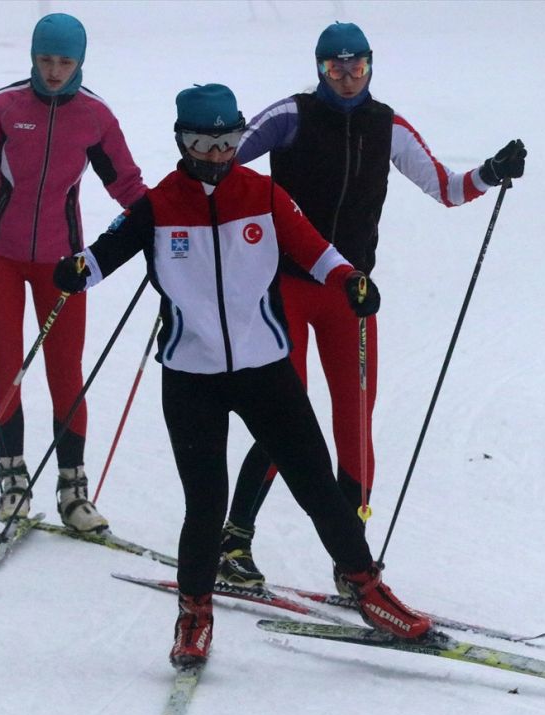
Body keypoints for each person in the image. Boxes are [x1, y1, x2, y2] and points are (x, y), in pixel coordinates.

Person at [53, 83, 432, 668]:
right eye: (203, 141)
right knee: (205, 503)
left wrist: (349, 279)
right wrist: (78, 270)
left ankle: (367, 587)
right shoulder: (158, 206)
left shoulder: (263, 194)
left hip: (265, 369)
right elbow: (104, 254)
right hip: (191, 377)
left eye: (227, 140)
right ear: (182, 141)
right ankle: (194, 614)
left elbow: (314, 248)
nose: (216, 153)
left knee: (317, 486)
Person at [218, 22, 527, 589]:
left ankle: (350, 559)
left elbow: (446, 188)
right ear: (318, 69)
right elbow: (221, 158)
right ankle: (234, 540)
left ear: (370, 65)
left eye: (355, 65)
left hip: (351, 293)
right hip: (283, 285)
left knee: (354, 422)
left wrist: (491, 173)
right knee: (284, 412)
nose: (346, 75)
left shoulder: (388, 125)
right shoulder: (290, 115)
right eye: (334, 66)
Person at [0, 13, 147, 532]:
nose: (53, 71)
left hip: (63, 262)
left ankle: (73, 490)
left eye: (64, 62)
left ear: (80, 62)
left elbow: (130, 188)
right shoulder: (6, 106)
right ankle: (13, 481)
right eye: (45, 60)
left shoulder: (94, 116)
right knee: (6, 368)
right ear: (32, 57)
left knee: (65, 372)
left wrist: (166, 234)